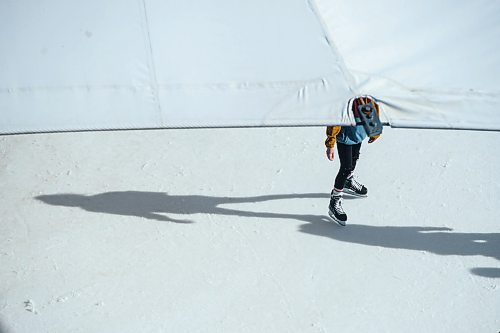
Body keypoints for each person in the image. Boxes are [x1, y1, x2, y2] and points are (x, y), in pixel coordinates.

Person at [325, 96, 382, 226]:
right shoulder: (343, 99)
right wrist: (330, 143)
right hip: (345, 136)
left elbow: (373, 108)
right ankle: (335, 200)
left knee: (354, 159)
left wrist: (375, 131)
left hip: (359, 133)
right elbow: (334, 119)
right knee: (346, 167)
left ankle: (348, 181)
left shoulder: (366, 95)